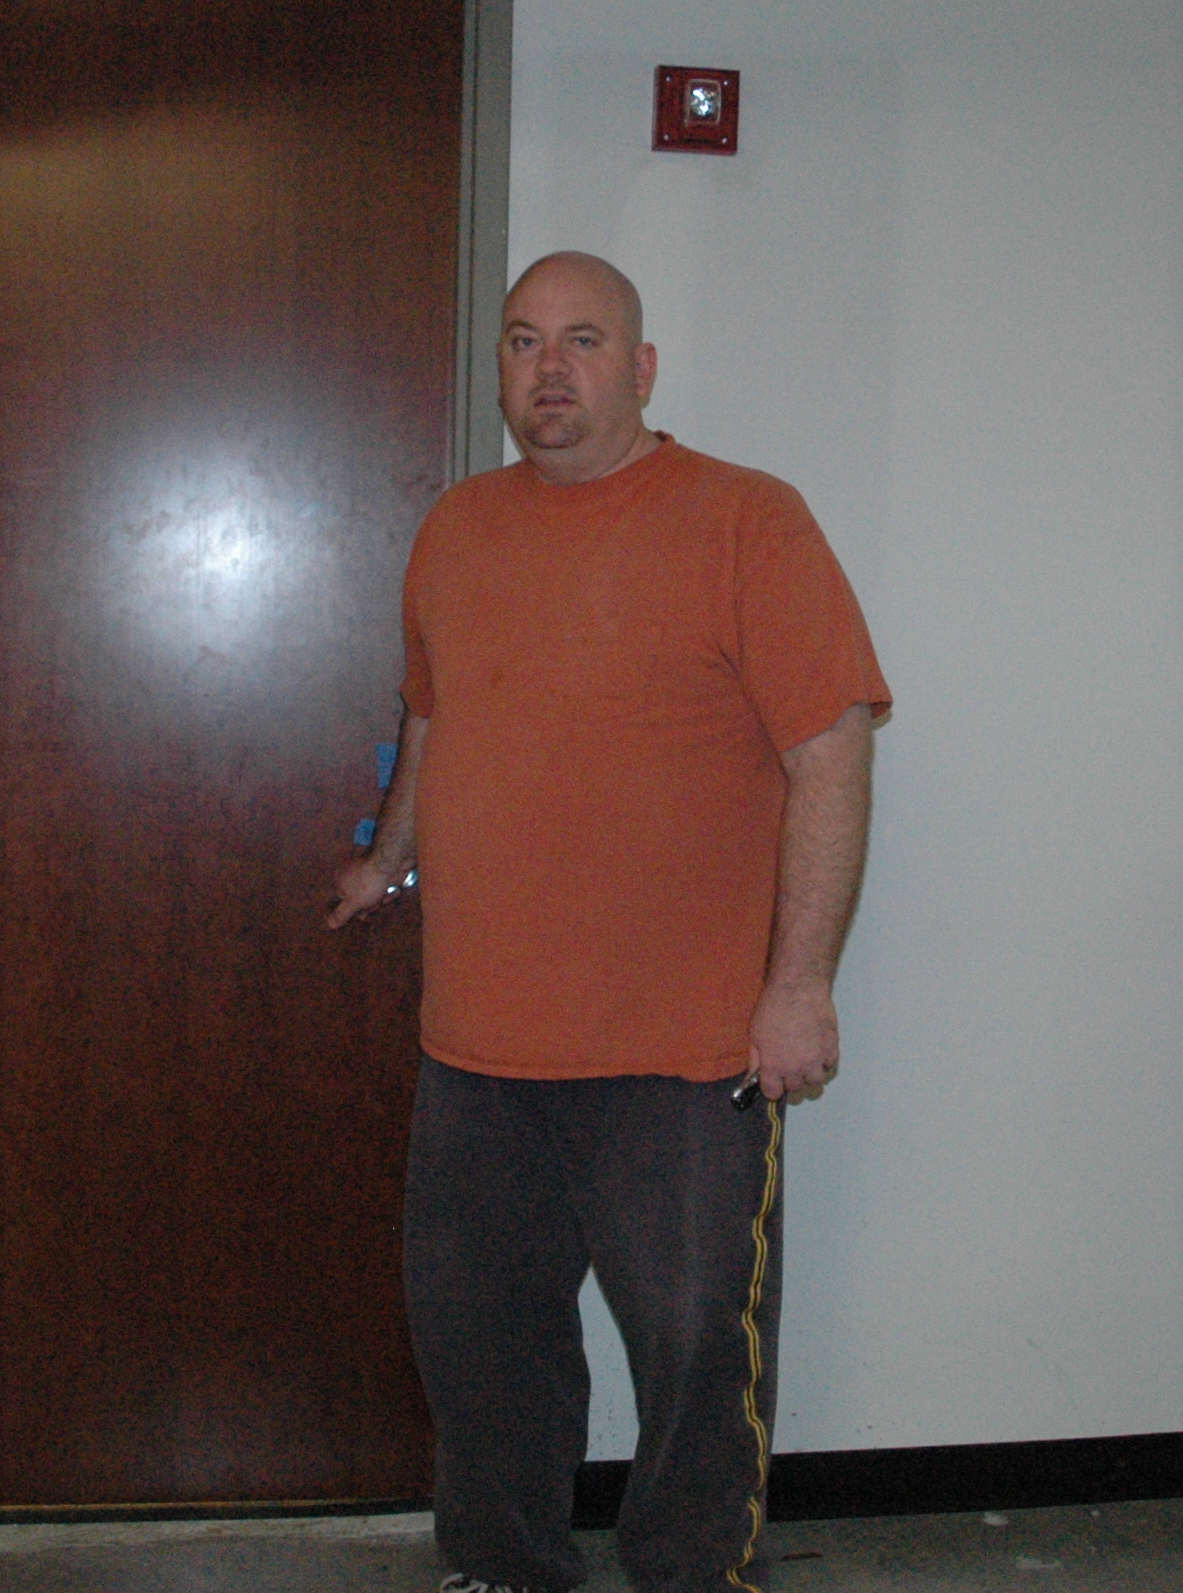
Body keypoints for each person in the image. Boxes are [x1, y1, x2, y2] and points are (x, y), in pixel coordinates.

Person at [329, 251, 889, 1593]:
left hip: (684, 1054)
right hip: (478, 1047)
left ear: (640, 369)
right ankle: (503, 1568)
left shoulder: (749, 520)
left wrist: (799, 986)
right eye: (524, 340)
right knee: (480, 1348)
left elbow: (831, 753)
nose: (550, 369)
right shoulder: (457, 528)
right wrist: (387, 860)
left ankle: (695, 1578)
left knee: (697, 1355)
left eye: (583, 341)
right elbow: (432, 715)